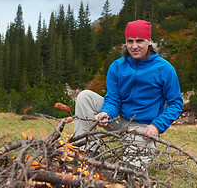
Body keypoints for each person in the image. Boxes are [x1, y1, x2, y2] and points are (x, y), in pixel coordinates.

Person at [74, 20, 183, 155]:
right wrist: (106, 113)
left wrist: (156, 126)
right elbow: (113, 98)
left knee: (130, 170)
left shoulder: (165, 69)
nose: (134, 46)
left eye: (139, 41)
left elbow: (176, 104)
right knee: (85, 97)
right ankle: (86, 151)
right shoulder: (117, 66)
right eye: (130, 41)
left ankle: (140, 148)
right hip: (118, 120)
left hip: (143, 127)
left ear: (149, 41)